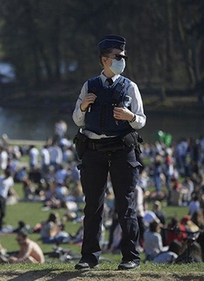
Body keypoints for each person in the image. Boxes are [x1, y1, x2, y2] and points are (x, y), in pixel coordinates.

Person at [72, 34, 146, 270]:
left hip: (122, 150)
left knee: (126, 205)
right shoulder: (89, 85)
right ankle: (89, 257)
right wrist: (83, 106)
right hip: (93, 150)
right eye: (118, 57)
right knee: (92, 205)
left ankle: (131, 257)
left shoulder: (130, 86)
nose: (122, 60)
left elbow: (141, 120)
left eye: (123, 57)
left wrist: (130, 117)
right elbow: (76, 119)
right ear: (105, 60)